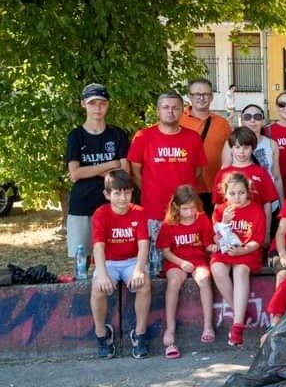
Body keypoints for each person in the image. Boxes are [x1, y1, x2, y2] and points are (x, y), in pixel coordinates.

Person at [127, 91, 208, 268]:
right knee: (154, 262)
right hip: (154, 209)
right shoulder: (143, 136)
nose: (170, 111)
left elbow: (199, 171)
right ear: (157, 111)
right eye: (166, 107)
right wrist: (150, 190)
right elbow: (135, 171)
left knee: (185, 261)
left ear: (181, 111)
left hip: (185, 211)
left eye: (175, 108)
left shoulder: (193, 137)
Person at [65, 83, 129, 261]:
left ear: (108, 105)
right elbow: (75, 174)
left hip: (113, 205)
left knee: (113, 260)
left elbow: (124, 172)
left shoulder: (118, 135)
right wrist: (110, 164)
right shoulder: (76, 136)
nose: (98, 108)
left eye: (102, 103)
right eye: (93, 103)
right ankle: (82, 290)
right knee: (81, 262)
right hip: (82, 205)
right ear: (83, 104)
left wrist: (90, 170)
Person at [89, 170, 150, 359]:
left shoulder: (139, 212)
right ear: (107, 195)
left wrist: (139, 270)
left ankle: (139, 335)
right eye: (117, 193)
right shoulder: (100, 214)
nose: (123, 198)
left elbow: (143, 245)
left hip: (132, 261)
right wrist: (102, 274)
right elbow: (98, 248)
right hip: (109, 262)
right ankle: (102, 334)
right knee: (98, 288)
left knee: (144, 284)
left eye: (127, 192)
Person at [157, 186, 215, 358]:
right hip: (177, 261)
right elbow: (166, 251)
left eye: (192, 208)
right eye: (185, 209)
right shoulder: (169, 224)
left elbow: (207, 244)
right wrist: (181, 263)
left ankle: (208, 325)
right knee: (174, 282)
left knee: (204, 279)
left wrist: (217, 244)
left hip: (198, 260)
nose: (190, 213)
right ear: (176, 207)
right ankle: (170, 328)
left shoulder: (202, 220)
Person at [210, 172, 267, 347]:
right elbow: (215, 239)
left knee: (240, 270)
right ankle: (239, 314)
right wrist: (225, 222)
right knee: (217, 269)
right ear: (225, 194)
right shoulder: (220, 210)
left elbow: (257, 241)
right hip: (226, 250)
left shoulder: (256, 210)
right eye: (232, 193)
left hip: (247, 251)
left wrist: (242, 250)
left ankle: (237, 327)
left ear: (247, 191)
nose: (237, 197)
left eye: (241, 193)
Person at [213, 128, 278, 241]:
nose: (241, 152)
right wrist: (217, 234)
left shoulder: (261, 173)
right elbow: (217, 206)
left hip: (253, 232)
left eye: (246, 147)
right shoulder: (222, 174)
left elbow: (267, 204)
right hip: (230, 232)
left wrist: (267, 232)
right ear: (231, 148)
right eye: (237, 147)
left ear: (253, 148)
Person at [179, 78, 230, 215]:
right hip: (186, 188)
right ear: (190, 96)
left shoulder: (222, 124)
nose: (201, 98)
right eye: (197, 94)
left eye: (206, 94)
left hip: (215, 188)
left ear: (212, 97)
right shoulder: (177, 120)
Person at [222, 104, 285, 206]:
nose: (252, 120)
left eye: (257, 117)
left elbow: (276, 177)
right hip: (238, 203)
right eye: (247, 117)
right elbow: (225, 174)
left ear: (263, 121)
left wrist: (282, 204)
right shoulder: (230, 143)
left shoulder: (271, 144)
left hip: (269, 203)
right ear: (241, 120)